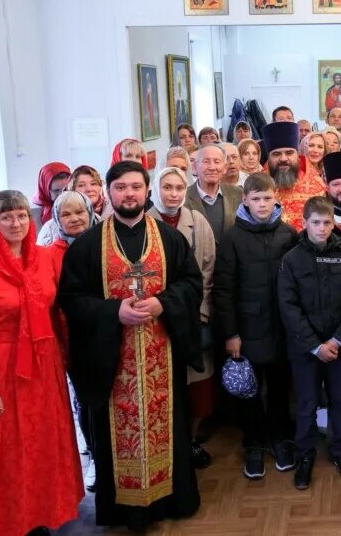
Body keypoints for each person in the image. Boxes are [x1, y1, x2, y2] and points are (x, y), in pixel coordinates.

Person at [57, 161, 204, 530]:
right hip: (111, 363)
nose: (129, 194)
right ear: (108, 193)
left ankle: (170, 500)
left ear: (146, 191)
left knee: (170, 428)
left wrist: (163, 303)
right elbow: (71, 300)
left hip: (162, 358)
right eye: (121, 187)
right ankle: (124, 509)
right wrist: (114, 312)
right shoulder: (87, 246)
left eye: (136, 187)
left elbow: (191, 283)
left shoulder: (170, 239)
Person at [0, 189, 83, 535]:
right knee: (6, 450)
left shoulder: (45, 259)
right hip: (0, 370)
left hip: (44, 366)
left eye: (22, 216)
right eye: (6, 217)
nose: (16, 223)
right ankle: (10, 523)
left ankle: (40, 515)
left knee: (41, 445)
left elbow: (58, 313)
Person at [213, 172, 297, 480]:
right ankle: (254, 445)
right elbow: (223, 290)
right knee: (250, 389)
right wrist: (231, 333)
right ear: (245, 200)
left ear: (276, 198)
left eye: (267, 198)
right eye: (256, 199)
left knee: (279, 387)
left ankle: (281, 440)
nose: (262, 204)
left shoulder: (288, 234)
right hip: (247, 328)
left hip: (282, 327)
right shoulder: (233, 238)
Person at [278, 196, 341, 489]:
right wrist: (316, 345)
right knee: (307, 403)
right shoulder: (291, 259)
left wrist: (336, 340)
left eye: (327, 222)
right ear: (304, 223)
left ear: (333, 223)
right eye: (316, 222)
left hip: (338, 346)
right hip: (305, 348)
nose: (322, 228)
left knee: (340, 401)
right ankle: (305, 455)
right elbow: (288, 307)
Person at [148, 166, 217, 468]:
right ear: (156, 189)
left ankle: (191, 440)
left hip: (194, 314)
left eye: (179, 188)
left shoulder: (197, 221)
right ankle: (168, 444)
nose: (173, 194)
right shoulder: (146, 221)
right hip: (159, 317)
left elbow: (209, 268)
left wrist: (201, 311)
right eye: (167, 187)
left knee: (198, 385)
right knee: (165, 386)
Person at [265, 122, 327, 231]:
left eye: (289, 153)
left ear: (298, 155)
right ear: (269, 158)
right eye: (276, 154)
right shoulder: (257, 186)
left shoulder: (317, 188)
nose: (283, 159)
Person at [184, 144, 240, 244]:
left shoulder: (238, 194)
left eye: (217, 161)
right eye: (206, 161)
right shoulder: (183, 198)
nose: (212, 167)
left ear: (224, 167)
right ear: (195, 167)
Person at [31, 162, 70, 233]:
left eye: (66, 190)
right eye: (56, 191)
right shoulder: (33, 213)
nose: (62, 195)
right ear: (45, 190)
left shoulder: (79, 204)